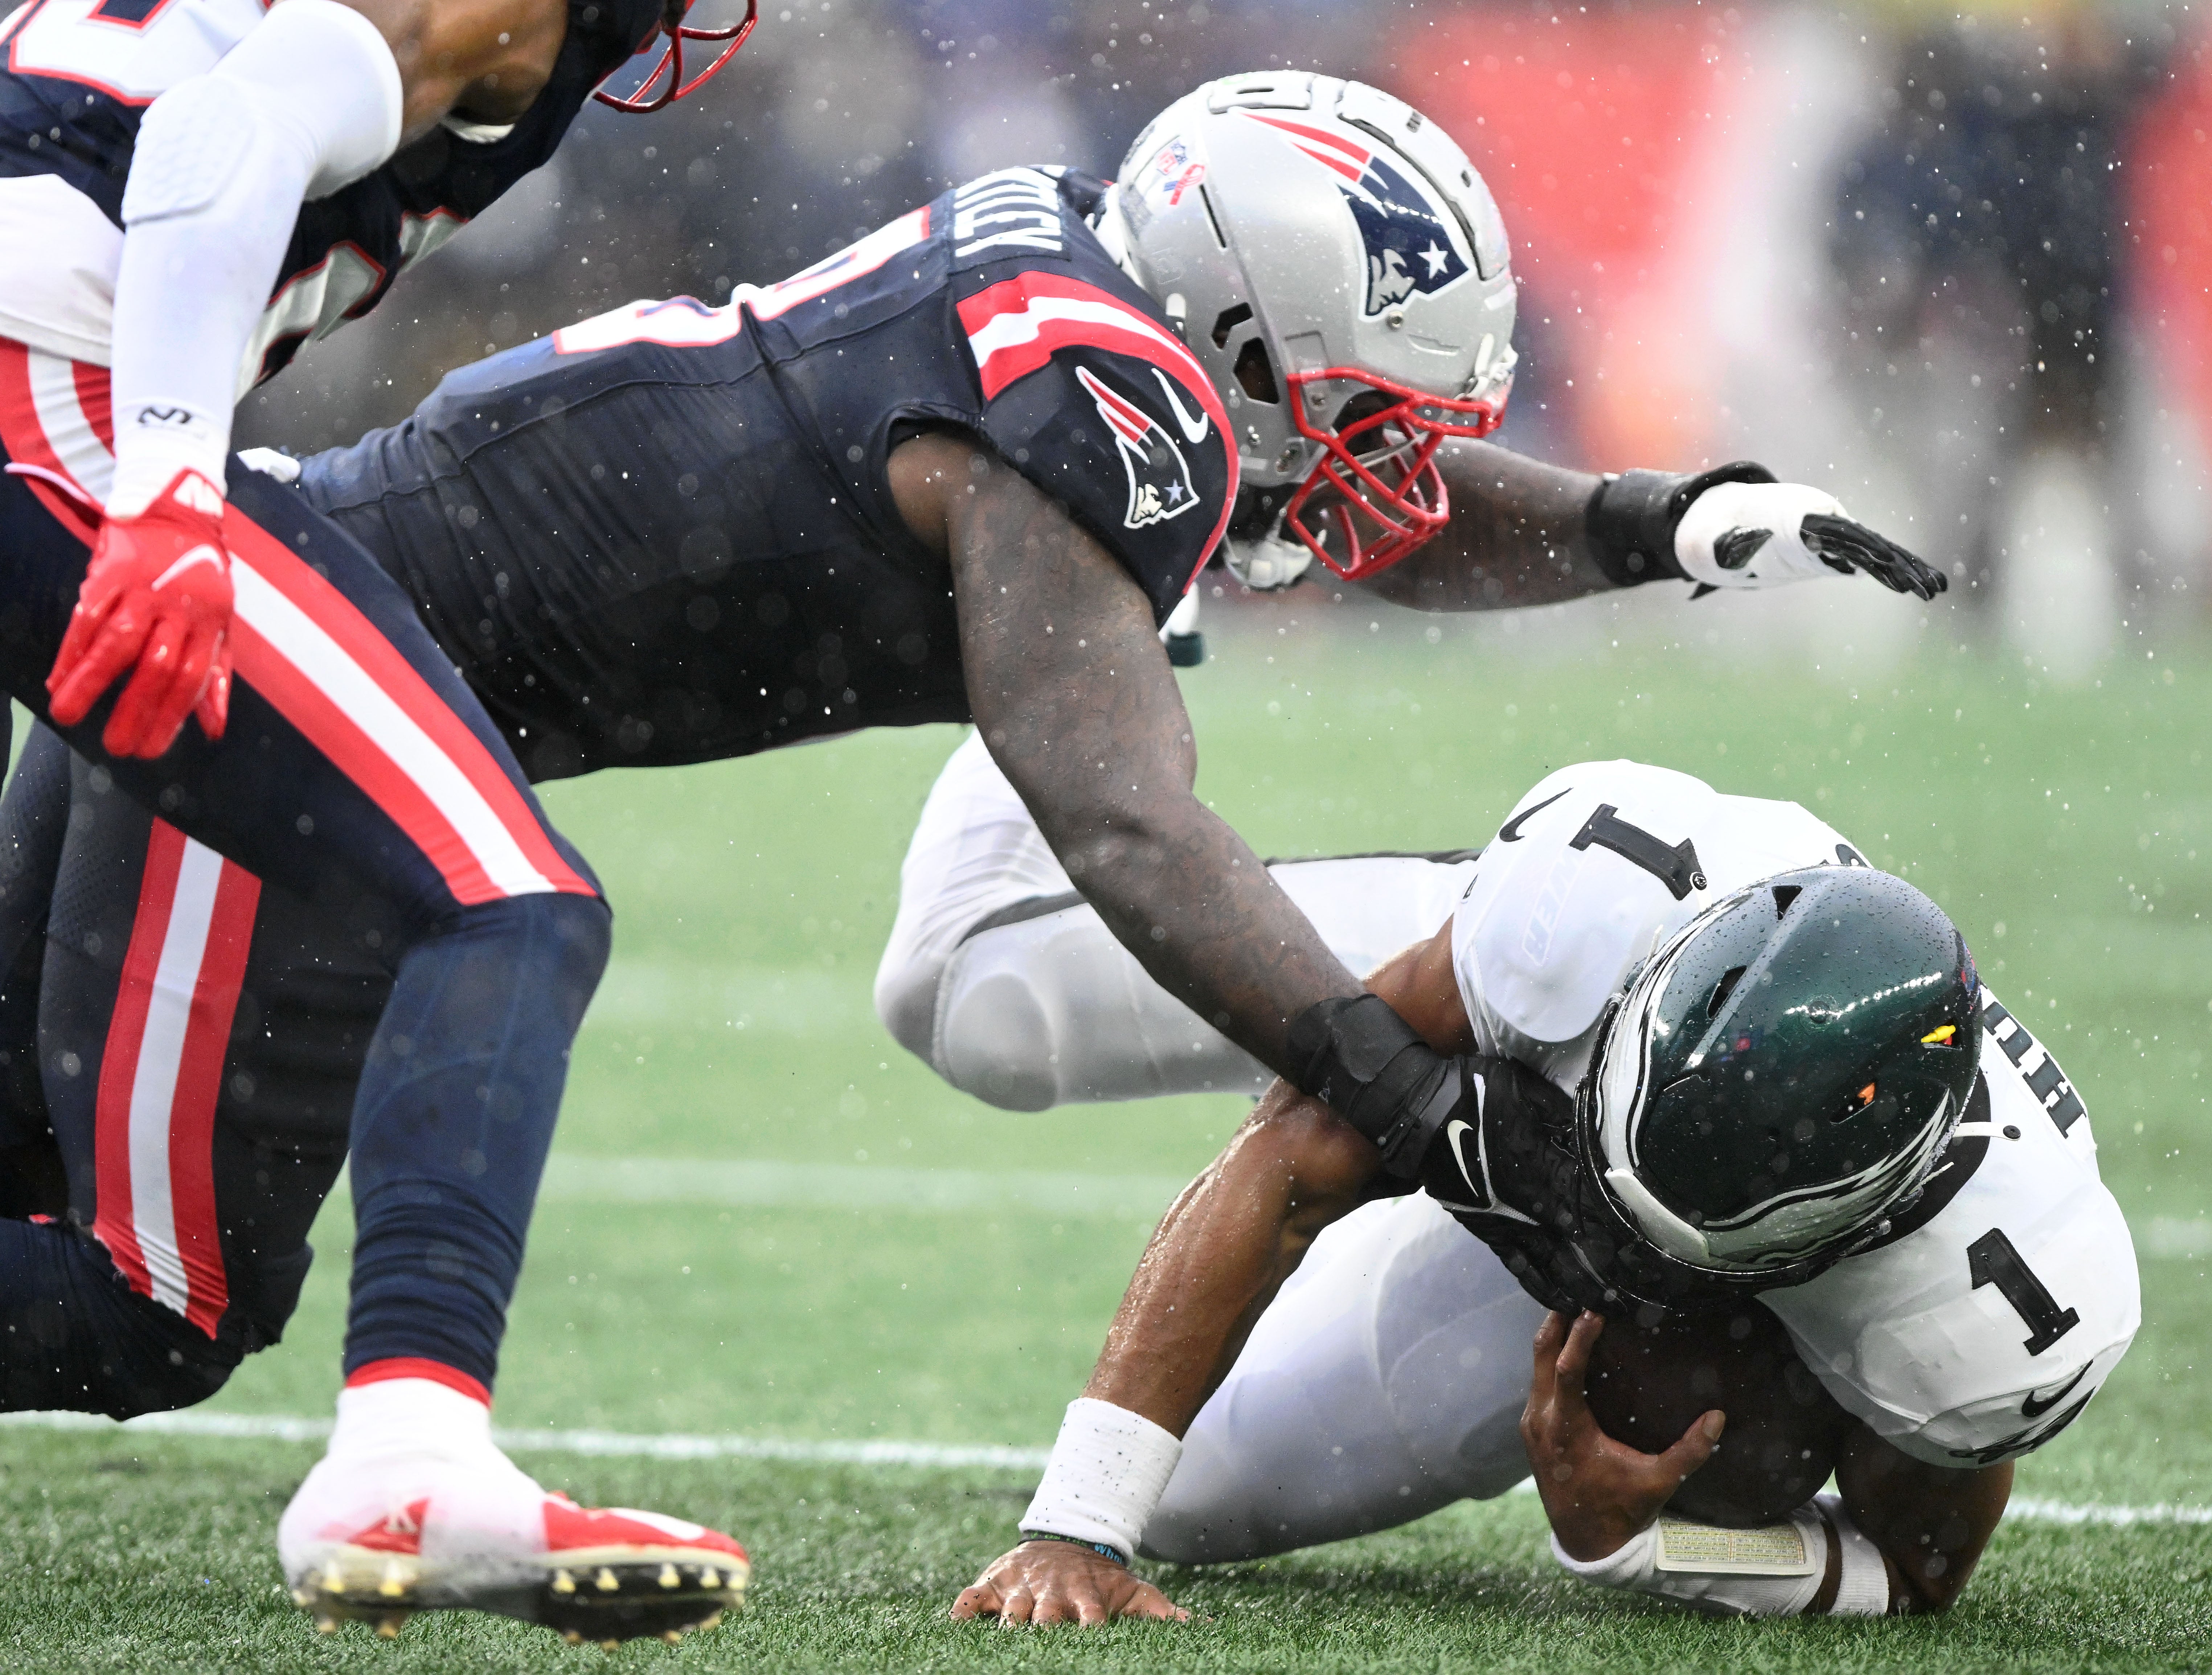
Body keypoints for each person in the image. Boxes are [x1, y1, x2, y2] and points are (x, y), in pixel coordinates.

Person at [0, 69, 1946, 1637]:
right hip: (290, 683)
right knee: (152, 1301)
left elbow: (1340, 504)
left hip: (302, 623)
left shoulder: (1086, 294)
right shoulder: (1088, 406)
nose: (1386, 473)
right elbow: (1116, 812)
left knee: (40, 1185)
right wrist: (1394, 1085)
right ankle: (415, 1451)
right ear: (1238, 338)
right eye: (1360, 416)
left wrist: (1640, 520)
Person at [0, 0, 759, 1645]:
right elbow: (229, 133)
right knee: (503, 899)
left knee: (22, 1156)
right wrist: (164, 479)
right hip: (37, 375)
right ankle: (409, 1454)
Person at [919, 746, 2140, 1623]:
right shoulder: (1589, 911)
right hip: (1493, 990)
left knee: (1200, 1503)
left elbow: (1915, 1572)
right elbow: (1298, 1150)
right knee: (991, 1010)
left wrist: (1642, 1546)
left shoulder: (1989, 1292)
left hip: (1634, 1294)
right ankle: (1068, 649)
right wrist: (1077, 1520)